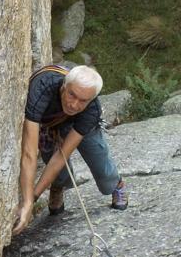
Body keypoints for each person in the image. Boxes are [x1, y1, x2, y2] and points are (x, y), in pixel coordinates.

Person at [12, 63, 128, 236]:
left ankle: (116, 184)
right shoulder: (43, 87)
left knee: (98, 159)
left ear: (92, 99)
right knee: (56, 168)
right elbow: (29, 154)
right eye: (71, 94)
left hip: (79, 124)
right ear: (64, 86)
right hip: (48, 123)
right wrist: (28, 201)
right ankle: (58, 187)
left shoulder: (92, 110)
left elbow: (62, 155)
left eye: (83, 100)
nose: (74, 104)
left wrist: (31, 199)